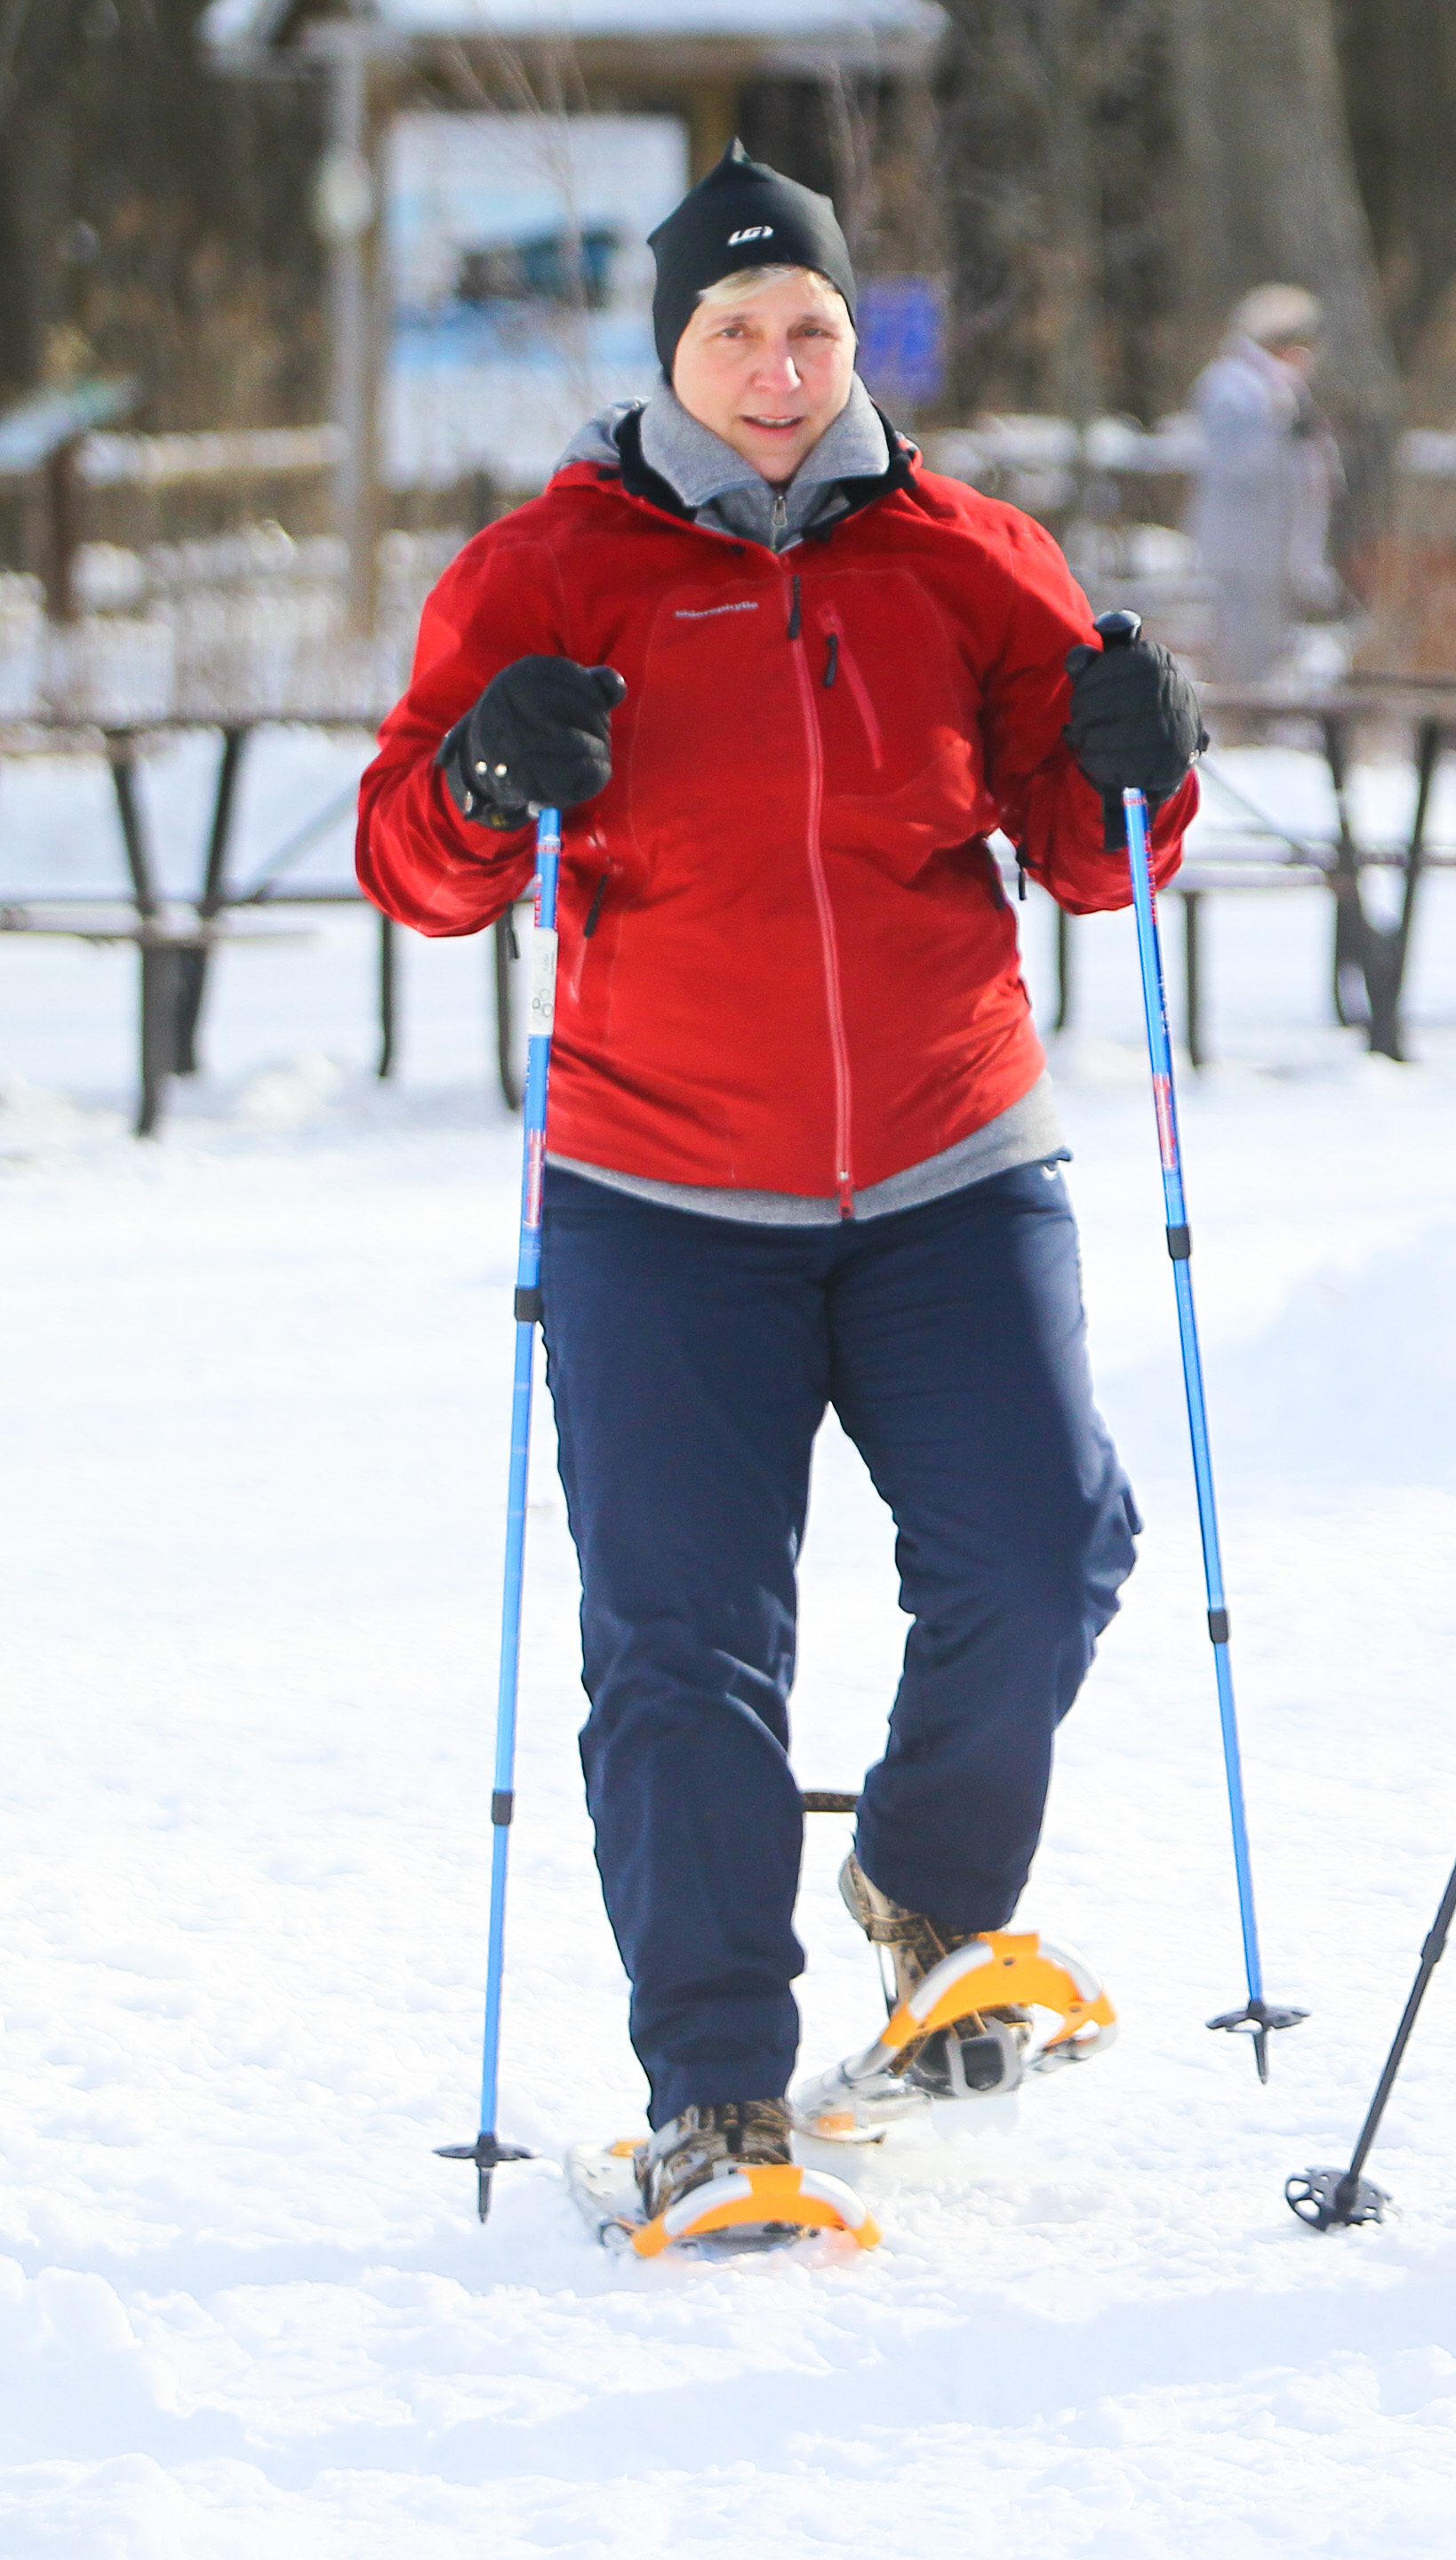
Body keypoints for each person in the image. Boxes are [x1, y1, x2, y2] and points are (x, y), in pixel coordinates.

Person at [355, 144, 1212, 2252]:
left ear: (854, 338)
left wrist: (1144, 751)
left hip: (951, 1161)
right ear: (672, 350)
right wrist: (482, 773)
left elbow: (1092, 850)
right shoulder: (551, 570)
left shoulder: (968, 556)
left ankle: (928, 1894)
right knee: (682, 1648)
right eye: (736, 328)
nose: (777, 362)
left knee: (1048, 1545)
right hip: (659, 1185)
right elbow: (411, 862)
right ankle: (716, 2095)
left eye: (810, 324)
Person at [1188, 283, 1344, 687]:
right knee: (1240, 644)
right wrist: (1281, 431)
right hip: (1245, 546)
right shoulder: (1231, 383)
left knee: (1273, 647)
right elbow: (1233, 463)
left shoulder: (1286, 387)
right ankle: (1236, 707)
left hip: (1281, 546)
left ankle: (1256, 707)